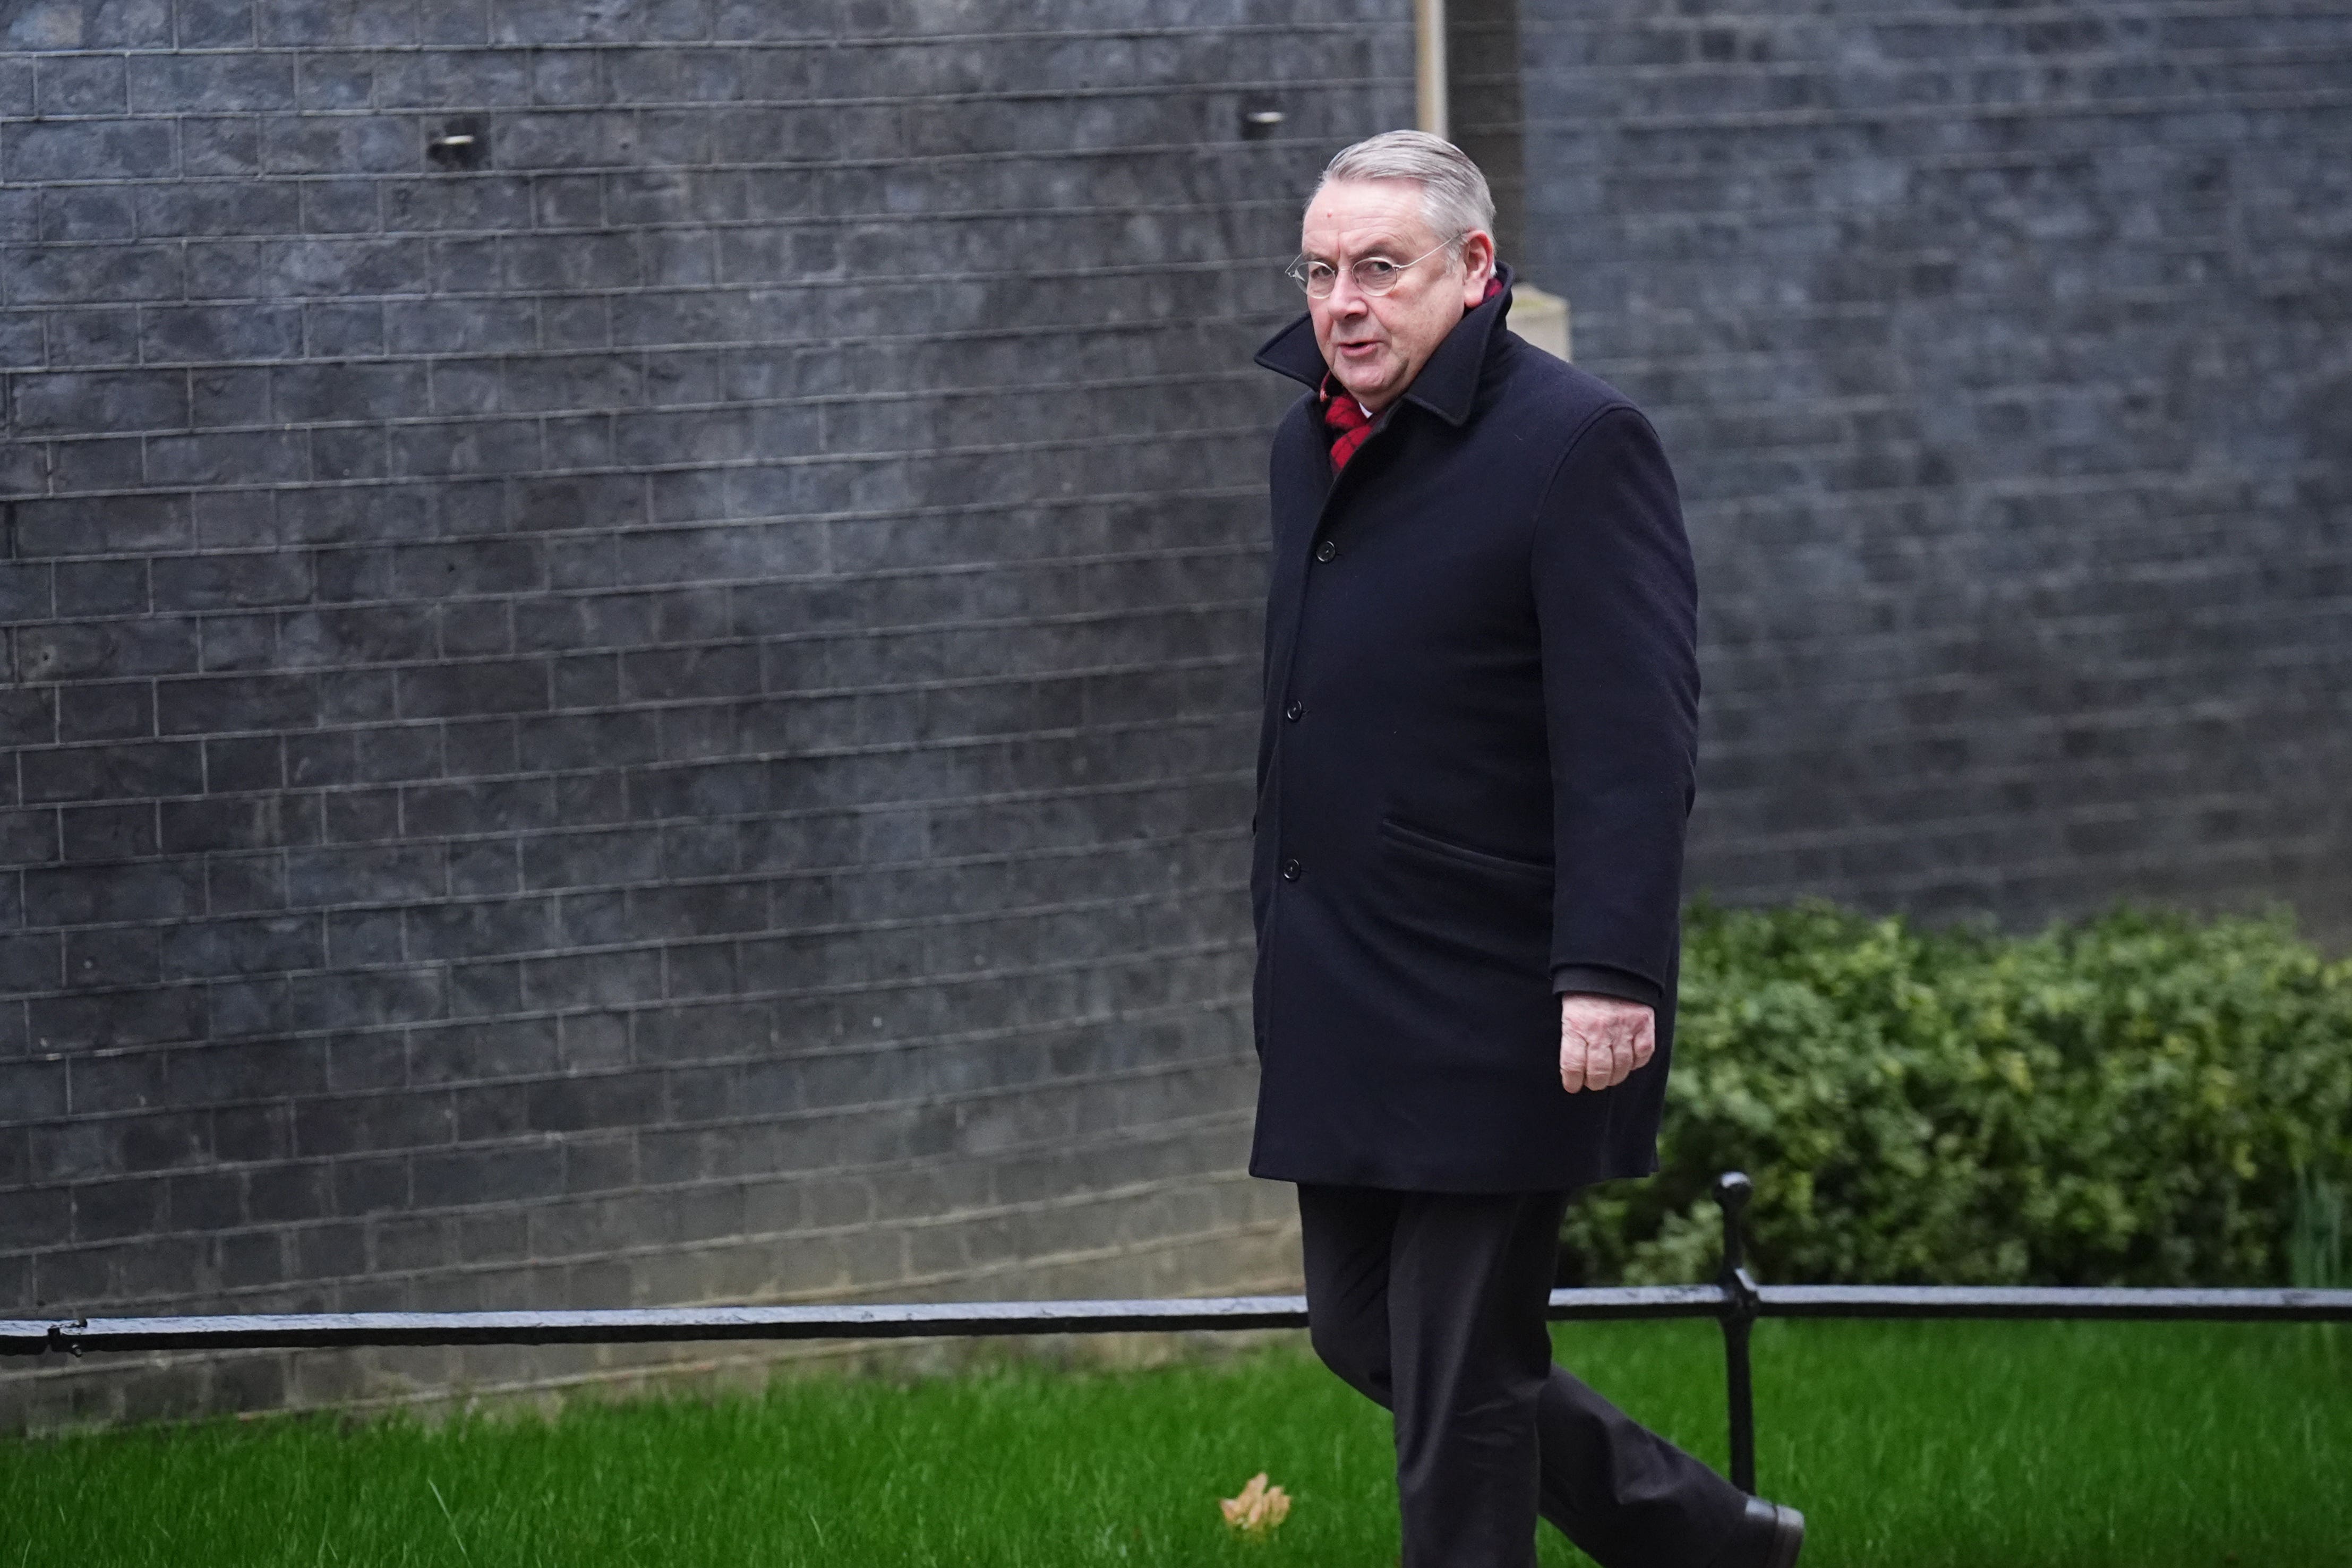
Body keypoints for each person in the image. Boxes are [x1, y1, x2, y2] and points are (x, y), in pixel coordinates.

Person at [1246, 130, 1804, 1568]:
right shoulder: (1309, 439)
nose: (1343, 302)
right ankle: (1708, 1543)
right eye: (1322, 271)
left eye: (1382, 268)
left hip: (1503, 987)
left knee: (1458, 1375)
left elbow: (1634, 735)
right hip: (1351, 975)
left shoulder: (1579, 444)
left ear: (1475, 268)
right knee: (1363, 1328)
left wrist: (1611, 966)